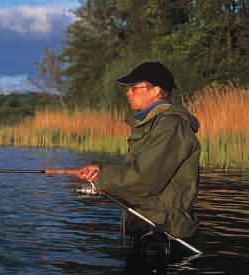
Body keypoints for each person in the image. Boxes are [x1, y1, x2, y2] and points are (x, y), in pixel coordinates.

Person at [77, 62, 200, 247]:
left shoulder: (171, 126)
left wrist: (101, 179)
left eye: (134, 87)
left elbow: (144, 179)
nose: (128, 93)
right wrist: (100, 169)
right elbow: (139, 167)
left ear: (156, 90)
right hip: (147, 224)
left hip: (165, 231)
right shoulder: (154, 124)